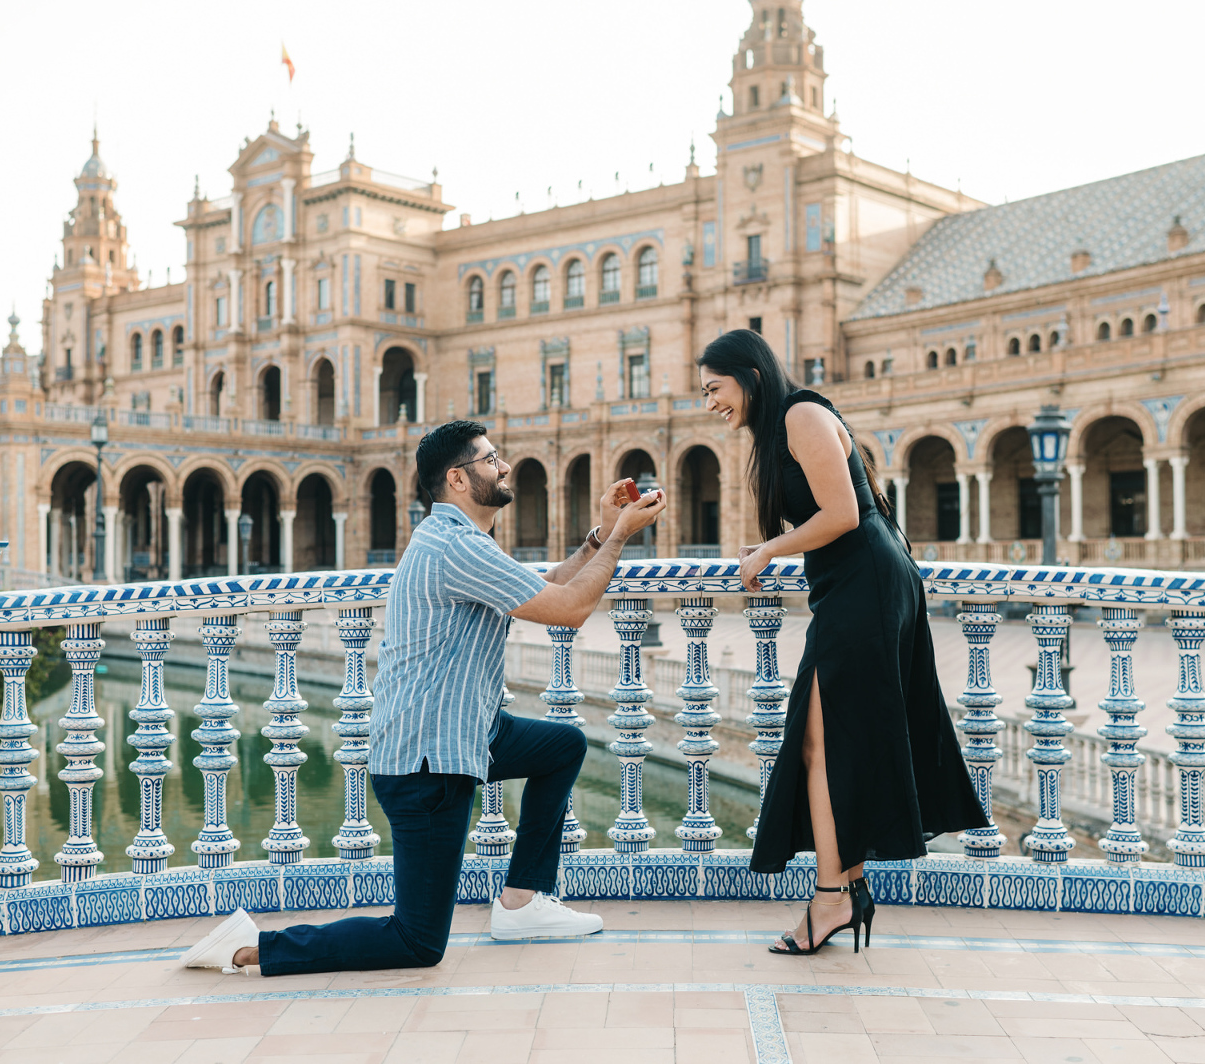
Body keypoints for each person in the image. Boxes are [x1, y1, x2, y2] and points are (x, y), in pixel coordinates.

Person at [182, 419, 666, 975]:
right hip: (427, 763)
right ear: (459, 480)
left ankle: (522, 902)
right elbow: (569, 609)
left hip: (468, 733)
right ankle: (249, 949)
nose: (504, 466)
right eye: (490, 459)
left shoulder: (460, 540)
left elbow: (549, 586)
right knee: (416, 941)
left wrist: (601, 537)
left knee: (562, 746)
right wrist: (624, 536)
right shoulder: (454, 546)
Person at [698, 330, 986, 956]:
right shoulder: (777, 431)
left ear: (749, 374)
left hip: (868, 585)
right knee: (825, 742)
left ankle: (834, 894)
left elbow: (844, 514)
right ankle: (845, 887)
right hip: (852, 587)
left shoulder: (801, 414)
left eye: (714, 389)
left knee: (817, 740)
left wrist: (771, 548)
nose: (710, 404)